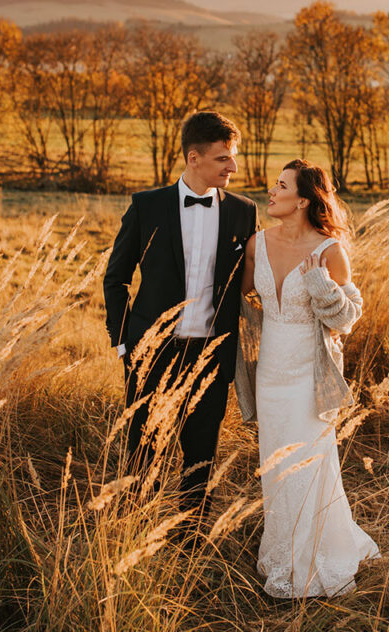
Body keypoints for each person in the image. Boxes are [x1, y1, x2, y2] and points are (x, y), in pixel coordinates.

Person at [102, 112, 259, 529]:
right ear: (194, 158)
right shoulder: (146, 206)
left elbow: (250, 283)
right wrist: (125, 344)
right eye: (224, 158)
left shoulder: (244, 212)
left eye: (233, 157)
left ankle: (189, 539)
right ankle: (134, 536)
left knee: (201, 455)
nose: (234, 167)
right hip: (152, 352)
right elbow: (115, 279)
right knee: (143, 450)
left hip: (211, 354)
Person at [234, 159, 380, 598]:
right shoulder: (256, 244)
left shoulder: (330, 251)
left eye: (281, 186)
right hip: (270, 373)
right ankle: (282, 555)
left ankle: (317, 564)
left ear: (302, 200)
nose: (271, 191)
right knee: (275, 468)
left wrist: (318, 281)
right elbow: (238, 298)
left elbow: (347, 318)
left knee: (310, 466)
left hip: (308, 375)